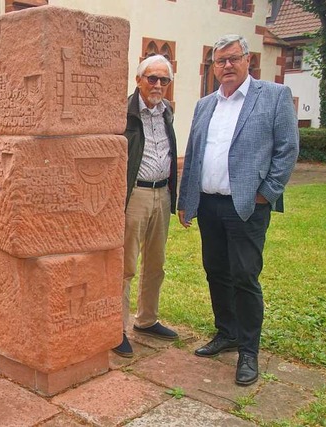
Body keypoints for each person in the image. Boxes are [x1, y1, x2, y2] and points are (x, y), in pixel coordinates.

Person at [177, 34, 298, 386]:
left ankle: (248, 351)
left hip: (246, 206)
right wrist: (187, 200)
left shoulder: (273, 97)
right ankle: (226, 333)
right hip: (210, 203)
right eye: (220, 61)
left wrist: (267, 192)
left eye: (233, 58)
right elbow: (195, 154)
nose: (226, 66)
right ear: (213, 67)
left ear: (248, 60)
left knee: (245, 276)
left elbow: (287, 149)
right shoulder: (205, 105)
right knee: (216, 270)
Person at [112, 55, 179, 358]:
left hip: (162, 194)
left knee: (156, 263)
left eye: (164, 80)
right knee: (126, 266)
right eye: (152, 78)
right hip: (135, 196)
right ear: (138, 79)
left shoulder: (167, 112)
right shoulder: (122, 112)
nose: (157, 85)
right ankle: (117, 331)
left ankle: (147, 319)